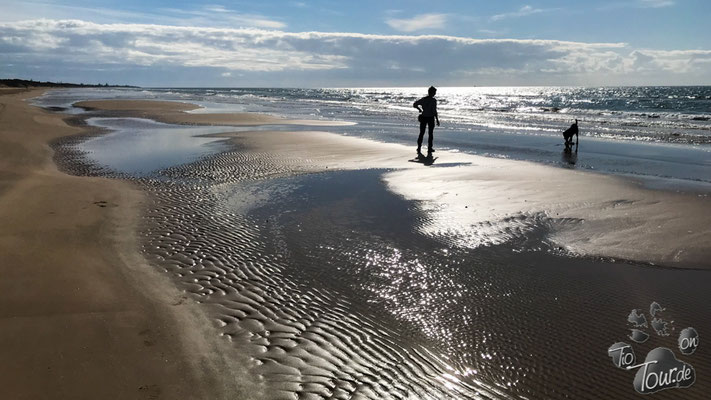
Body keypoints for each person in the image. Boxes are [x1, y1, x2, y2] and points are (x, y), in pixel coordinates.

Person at [413, 86, 440, 157]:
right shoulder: (433, 100)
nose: (435, 93)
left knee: (421, 133)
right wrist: (437, 119)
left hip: (424, 117)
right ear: (432, 92)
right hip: (430, 118)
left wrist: (419, 109)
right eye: (434, 92)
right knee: (430, 134)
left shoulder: (423, 99)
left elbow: (414, 104)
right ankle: (429, 148)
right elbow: (434, 111)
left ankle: (419, 148)